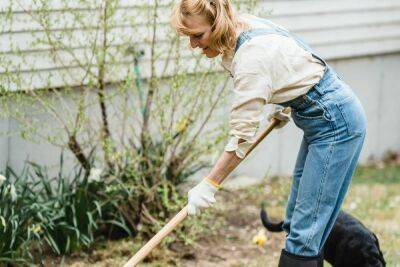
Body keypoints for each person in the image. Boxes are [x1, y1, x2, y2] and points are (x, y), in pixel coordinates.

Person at [170, 1, 367, 266]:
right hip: (321, 118)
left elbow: (241, 139)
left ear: (218, 25)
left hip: (336, 124)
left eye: (197, 36)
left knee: (304, 235)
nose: (193, 45)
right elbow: (289, 56)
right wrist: (285, 101)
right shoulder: (243, 27)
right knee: (296, 218)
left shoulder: (250, 56)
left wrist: (209, 185)